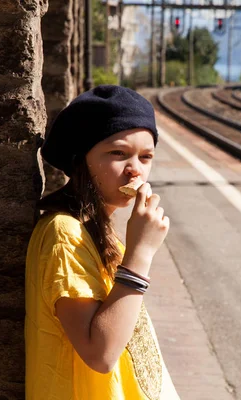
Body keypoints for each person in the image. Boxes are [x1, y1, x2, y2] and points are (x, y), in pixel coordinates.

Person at [25, 85, 180, 399]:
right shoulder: (64, 235)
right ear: (82, 159)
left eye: (145, 156)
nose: (134, 169)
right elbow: (101, 354)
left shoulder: (97, 230)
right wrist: (141, 254)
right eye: (118, 153)